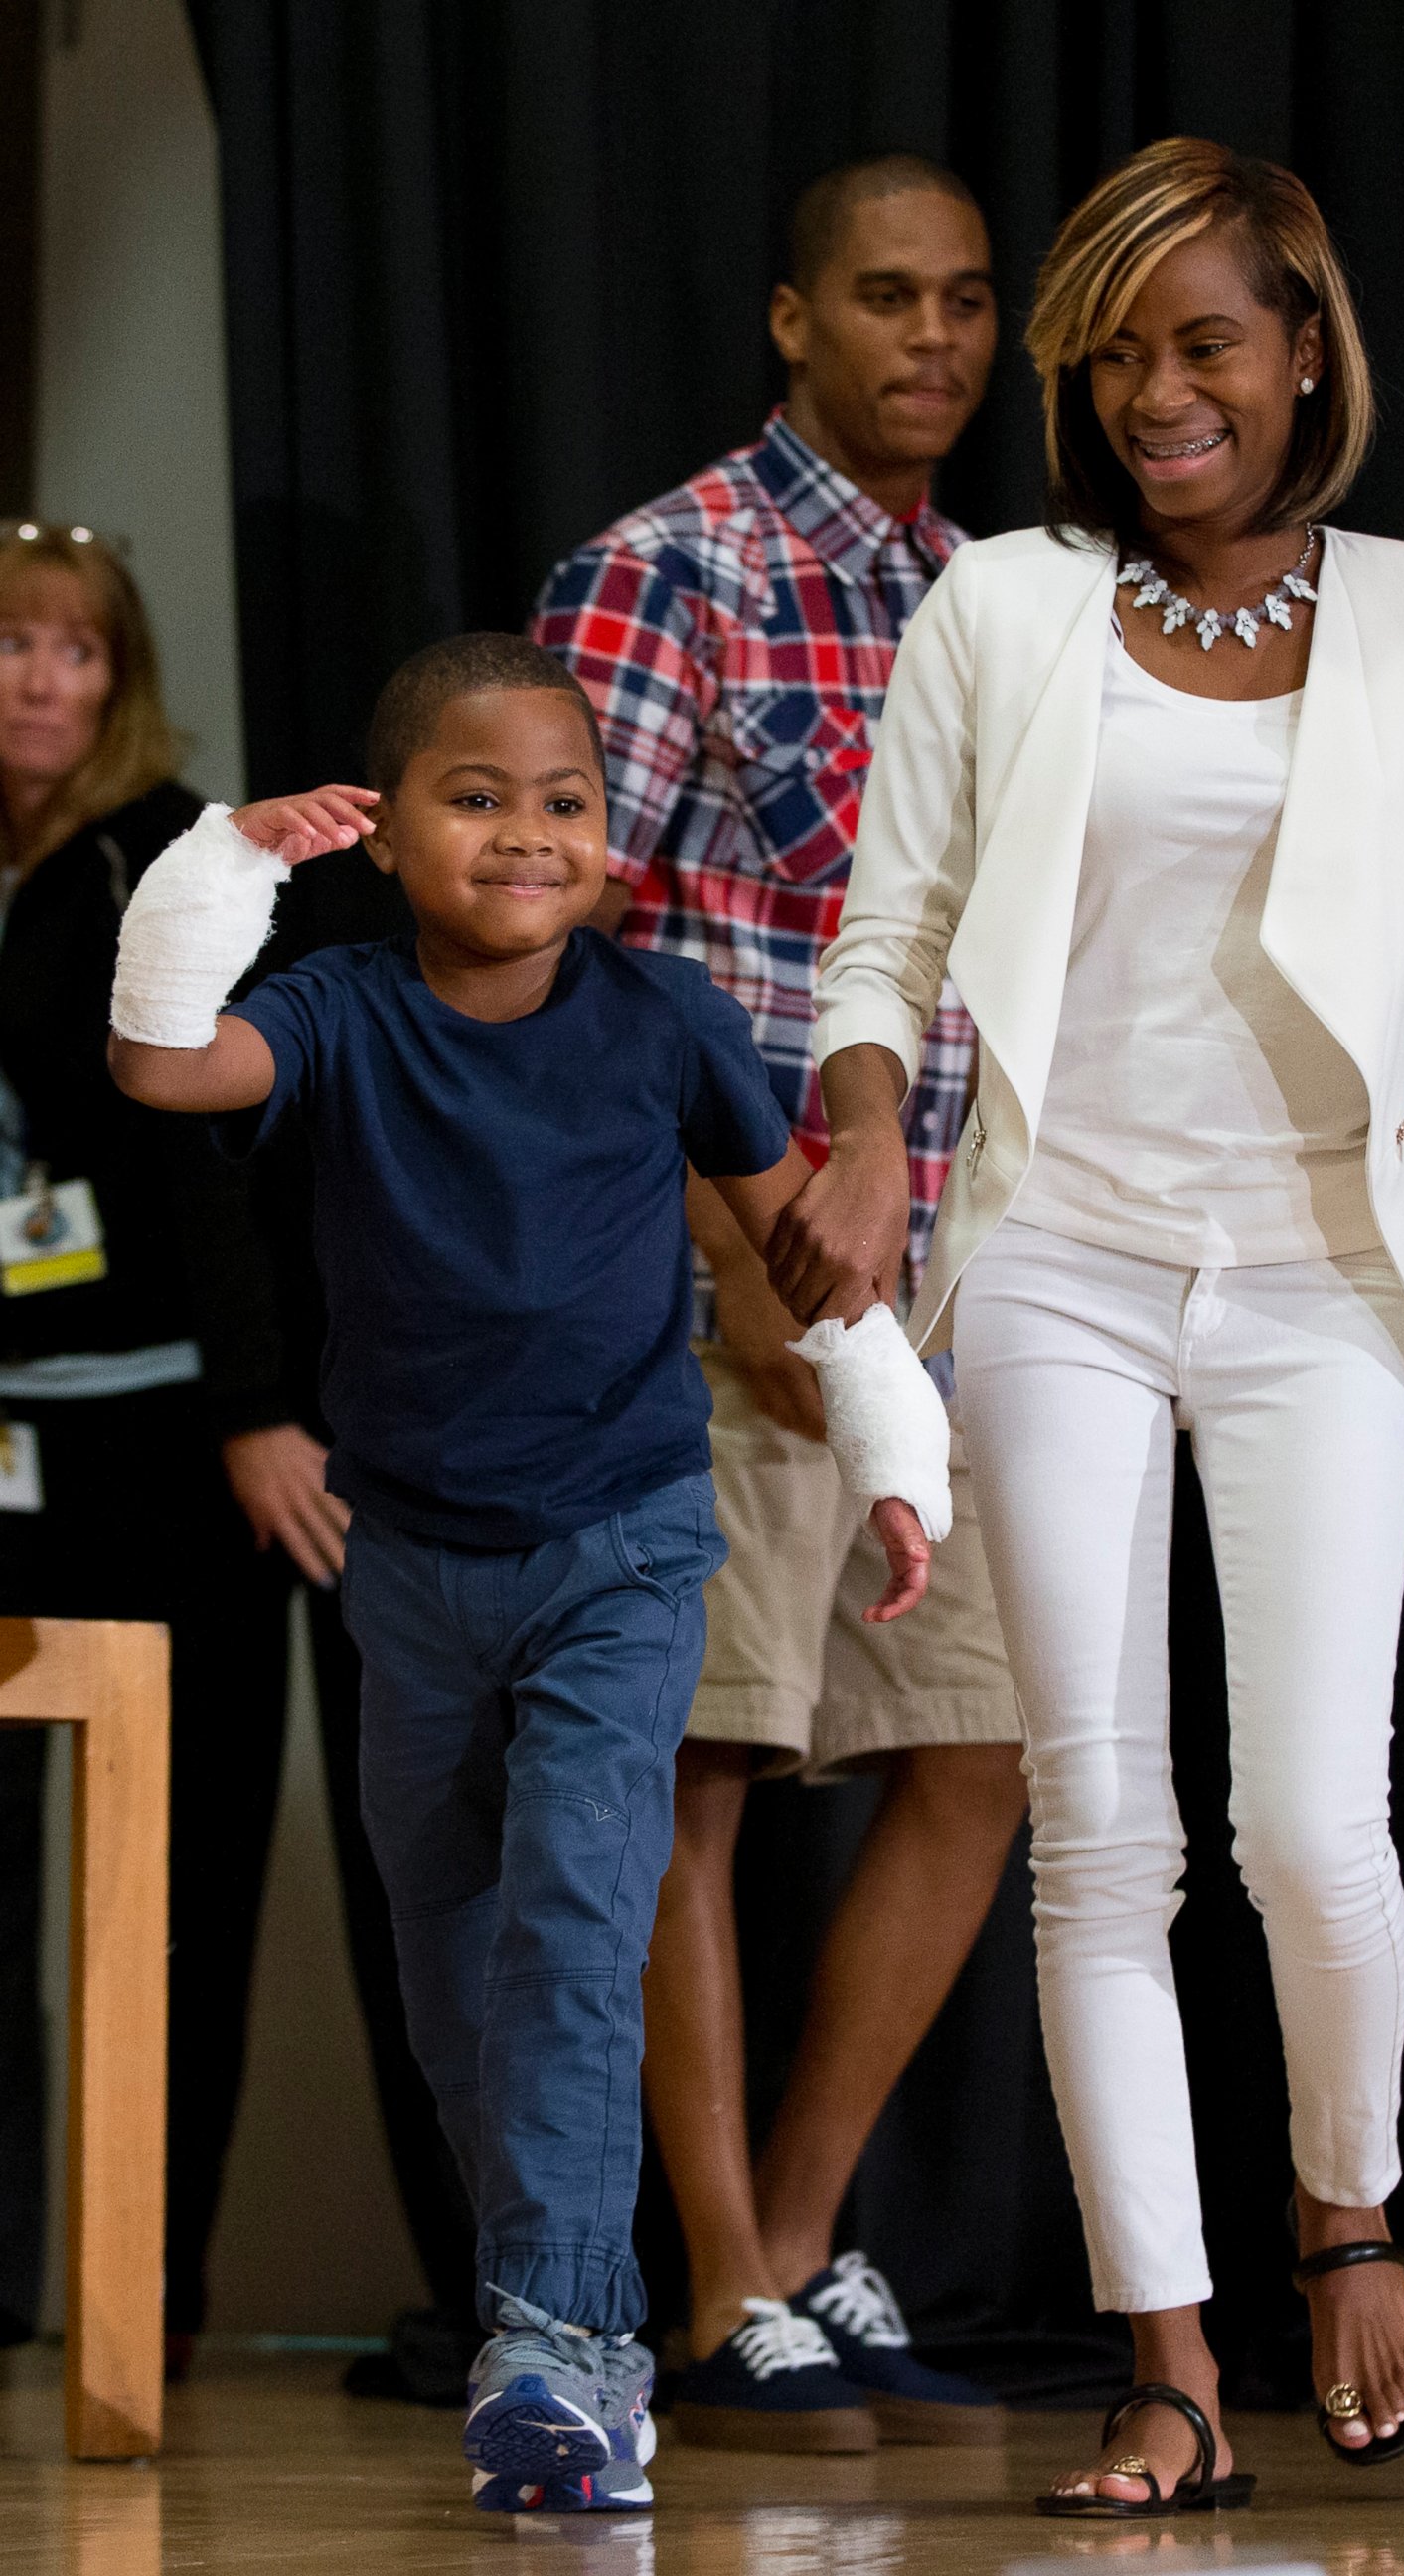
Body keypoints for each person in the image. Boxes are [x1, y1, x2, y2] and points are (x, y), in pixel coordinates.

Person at [770, 137, 1404, 2517]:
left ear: (1303, 345)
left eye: (1200, 340)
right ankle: (1168, 2365)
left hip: (1326, 1265)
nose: (1153, 394)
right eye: (1111, 354)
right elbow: (883, 948)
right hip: (1054, 1255)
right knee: (1099, 1843)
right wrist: (860, 1132)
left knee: (1314, 1822)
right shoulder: (1000, 608)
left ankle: (1352, 2217)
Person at [107, 631, 937, 2517]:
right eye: (473, 800)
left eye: (561, 800)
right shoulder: (333, 1009)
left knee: (575, 1928)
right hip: (411, 1567)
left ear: (611, 834)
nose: (524, 834)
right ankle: (548, 2330)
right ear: (385, 833)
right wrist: (229, 859)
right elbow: (159, 1063)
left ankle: (565, 2356)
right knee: (456, 1972)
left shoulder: (665, 1024)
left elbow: (802, 1261)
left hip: (626, 1547)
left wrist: (899, 1462)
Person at [531, 152, 1022, 2452]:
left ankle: (805, 2248)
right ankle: (713, 2284)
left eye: (966, 305)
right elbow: (567, 945)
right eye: (885, 300)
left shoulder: (999, 599)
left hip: (946, 1274)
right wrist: (731, 1245)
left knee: (983, 1753)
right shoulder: (671, 571)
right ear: (791, 323)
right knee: (701, 1763)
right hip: (725, 1268)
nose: (932, 339)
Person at [0, 518, 448, 2363]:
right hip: (2, 1446)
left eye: (76, 650)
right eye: (13, 643)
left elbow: (218, 1162)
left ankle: (139, 2311)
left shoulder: (170, 855)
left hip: (170, 1448)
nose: (40, 680)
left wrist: (263, 1412)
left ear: (125, 678)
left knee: (162, 1888)